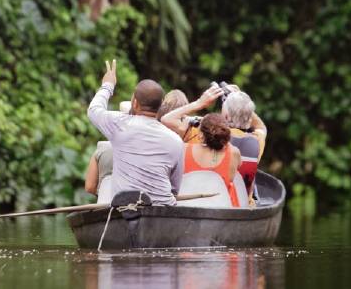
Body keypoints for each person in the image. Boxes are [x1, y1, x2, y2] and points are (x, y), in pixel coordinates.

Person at [87, 59, 184, 206]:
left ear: (135, 103)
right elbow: (175, 189)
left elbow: (94, 110)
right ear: (160, 105)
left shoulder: (119, 124)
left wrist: (108, 85)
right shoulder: (176, 140)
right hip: (163, 210)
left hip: (125, 209)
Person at [183, 113, 241, 207]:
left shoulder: (184, 149)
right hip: (222, 210)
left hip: (189, 208)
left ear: (201, 134)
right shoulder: (234, 153)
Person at [222, 91, 267, 197]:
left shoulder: (211, 135)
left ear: (227, 116)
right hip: (244, 202)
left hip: (218, 199)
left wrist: (199, 103)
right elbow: (261, 127)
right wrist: (244, 106)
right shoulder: (257, 140)